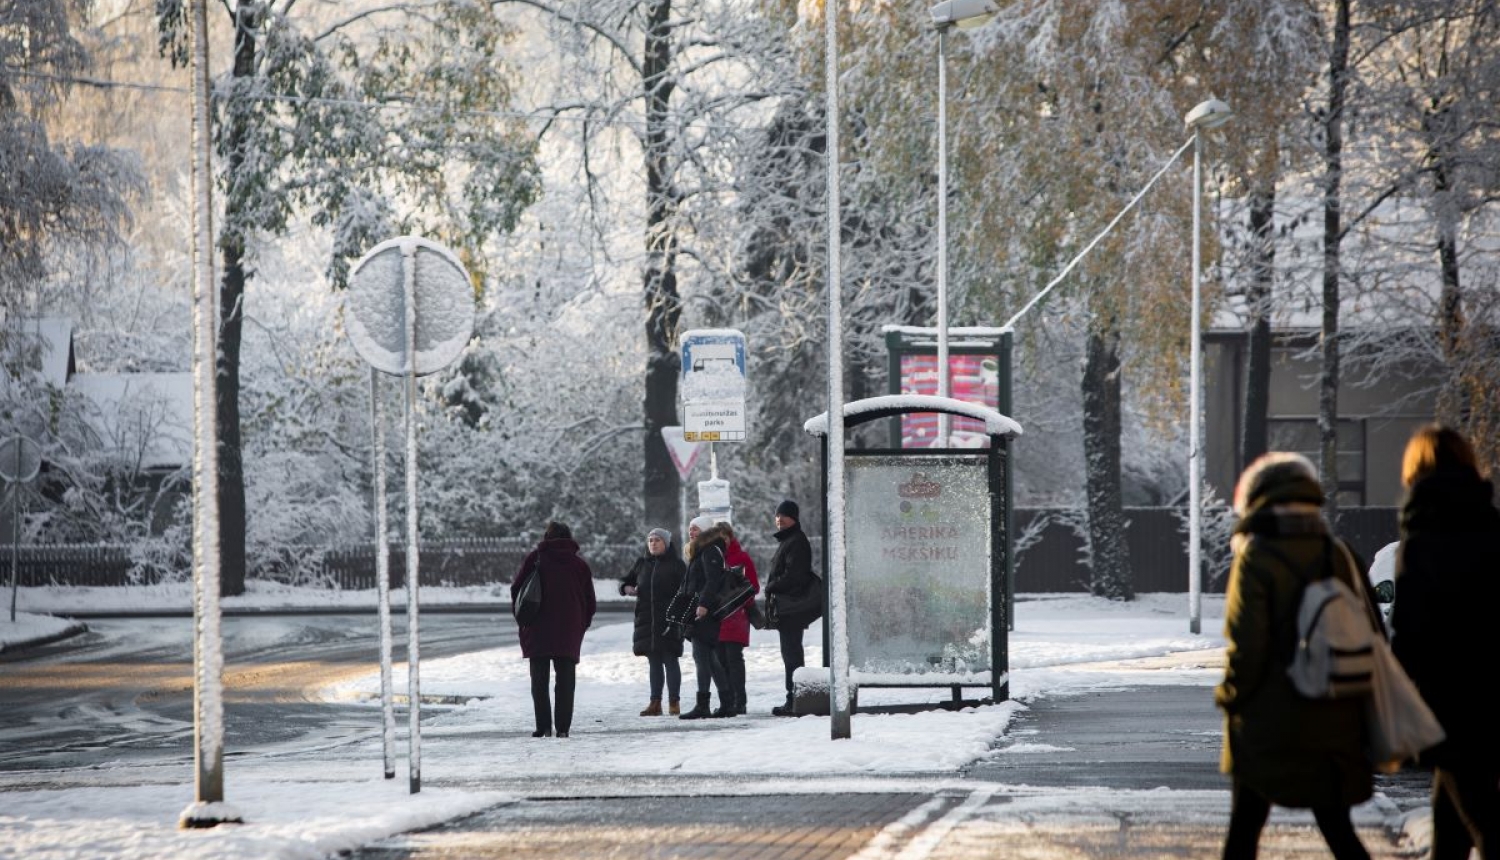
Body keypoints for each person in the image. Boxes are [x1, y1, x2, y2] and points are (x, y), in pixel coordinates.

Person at [1214, 452, 1380, 860]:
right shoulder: (1338, 553)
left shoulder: (1257, 556)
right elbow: (1373, 631)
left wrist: (1230, 697)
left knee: (1244, 830)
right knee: (1338, 828)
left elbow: (1247, 645)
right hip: (1333, 711)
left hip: (1268, 720)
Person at [1389, 424, 1500, 860]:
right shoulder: (1491, 526)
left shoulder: (1422, 537)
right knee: (1450, 817)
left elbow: (1413, 629)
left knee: (1479, 814)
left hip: (1447, 700)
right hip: (1491, 690)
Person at [510, 520, 596, 738]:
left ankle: (544, 727)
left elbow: (517, 589)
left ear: (546, 537)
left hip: (537, 626)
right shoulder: (580, 565)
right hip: (569, 629)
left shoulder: (535, 559)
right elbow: (590, 601)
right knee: (566, 680)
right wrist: (581, 624)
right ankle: (563, 729)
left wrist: (522, 619)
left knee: (539, 680)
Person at [619, 527, 687, 717]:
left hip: (668, 621)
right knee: (654, 662)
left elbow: (687, 591)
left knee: (670, 659)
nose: (653, 543)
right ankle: (655, 703)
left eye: (657, 540)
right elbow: (626, 581)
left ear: (666, 543)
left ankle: (674, 702)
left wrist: (678, 616)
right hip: (646, 621)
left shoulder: (676, 565)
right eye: (650, 540)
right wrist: (626, 587)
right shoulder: (642, 564)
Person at [764, 499, 816, 717]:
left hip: (791, 607)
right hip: (789, 607)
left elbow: (793, 574)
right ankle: (793, 697)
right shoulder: (790, 541)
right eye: (777, 517)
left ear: (793, 518)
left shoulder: (795, 541)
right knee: (791, 653)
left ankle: (795, 698)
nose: (779, 521)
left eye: (783, 517)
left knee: (792, 654)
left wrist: (773, 586)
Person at [678, 515, 733, 720]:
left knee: (702, 658)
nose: (691, 532)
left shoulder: (710, 550)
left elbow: (712, 581)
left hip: (705, 612)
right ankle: (727, 703)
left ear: (705, 530)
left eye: (695, 529)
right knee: (710, 658)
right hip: (700, 610)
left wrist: (703, 604)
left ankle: (703, 704)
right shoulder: (701, 550)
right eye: (690, 529)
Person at [714, 521, 760, 717]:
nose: (722, 540)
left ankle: (739, 702)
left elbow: (754, 586)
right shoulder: (713, 558)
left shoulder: (741, 558)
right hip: (718, 617)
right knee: (721, 660)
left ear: (730, 537)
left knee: (734, 659)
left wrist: (736, 595)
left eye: (724, 536)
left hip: (736, 616)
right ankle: (728, 702)